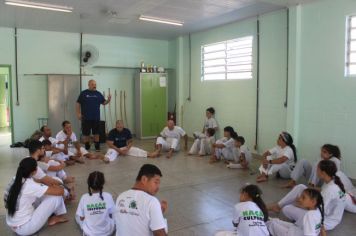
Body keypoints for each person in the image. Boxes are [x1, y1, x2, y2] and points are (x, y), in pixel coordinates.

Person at [267, 160, 346, 231]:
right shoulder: (332, 180)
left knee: (286, 209)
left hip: (325, 221)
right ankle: (278, 206)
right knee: (301, 187)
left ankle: (278, 209)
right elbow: (323, 192)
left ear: (323, 173)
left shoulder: (330, 190)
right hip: (325, 213)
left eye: (317, 169)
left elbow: (316, 210)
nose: (316, 171)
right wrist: (309, 190)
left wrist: (299, 203)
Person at [4, 157, 68, 235]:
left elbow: (36, 182)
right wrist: (57, 186)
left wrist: (46, 184)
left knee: (44, 193)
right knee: (56, 197)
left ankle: (55, 215)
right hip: (25, 228)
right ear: (35, 171)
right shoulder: (29, 185)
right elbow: (60, 192)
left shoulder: (15, 179)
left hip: (13, 224)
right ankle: (54, 218)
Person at [114, 164, 168, 236]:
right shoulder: (152, 201)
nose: (158, 187)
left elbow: (133, 219)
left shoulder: (121, 196)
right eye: (156, 182)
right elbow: (160, 233)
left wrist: (158, 212)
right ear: (144, 179)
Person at [76, 171, 115, 236]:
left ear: (89, 184)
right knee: (114, 213)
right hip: (107, 232)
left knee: (77, 215)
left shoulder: (84, 197)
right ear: (103, 183)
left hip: (90, 233)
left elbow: (81, 218)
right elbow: (112, 213)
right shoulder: (108, 196)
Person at [76, 79, 111, 151]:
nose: (94, 86)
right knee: (86, 134)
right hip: (86, 117)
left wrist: (108, 100)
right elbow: (78, 103)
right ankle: (87, 146)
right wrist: (78, 113)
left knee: (96, 133)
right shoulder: (83, 93)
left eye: (95, 84)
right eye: (92, 84)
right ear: (88, 85)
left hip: (96, 117)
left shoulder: (98, 93)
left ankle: (97, 146)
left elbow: (104, 103)